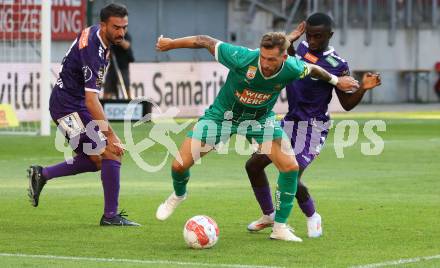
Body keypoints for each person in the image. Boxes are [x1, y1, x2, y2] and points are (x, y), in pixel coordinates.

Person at [154, 31, 359, 241]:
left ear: (284, 58)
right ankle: (179, 195)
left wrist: (335, 81)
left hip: (260, 121)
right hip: (222, 117)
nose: (266, 63)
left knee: (290, 168)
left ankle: (279, 228)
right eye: (263, 57)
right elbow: (203, 41)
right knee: (179, 166)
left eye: (271, 59)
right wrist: (171, 44)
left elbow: (315, 70)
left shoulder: (292, 67)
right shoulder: (242, 58)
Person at [245, 13, 381, 238]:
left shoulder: (337, 64)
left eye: (318, 36)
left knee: (290, 175)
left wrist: (363, 87)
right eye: (310, 35)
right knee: (253, 166)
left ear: (330, 35)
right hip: (289, 122)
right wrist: (291, 40)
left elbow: (346, 104)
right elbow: (286, 59)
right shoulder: (302, 47)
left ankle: (312, 215)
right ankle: (268, 215)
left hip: (313, 128)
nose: (313, 40)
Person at [27, 3, 140, 226]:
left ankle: (42, 174)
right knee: (111, 152)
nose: (121, 32)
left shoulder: (97, 35)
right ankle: (110, 217)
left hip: (70, 104)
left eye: (124, 27)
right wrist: (112, 135)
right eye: (116, 27)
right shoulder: (94, 52)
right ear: (104, 25)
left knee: (97, 159)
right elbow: (92, 100)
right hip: (68, 107)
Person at [104, 31, 135, 99]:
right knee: (108, 88)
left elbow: (126, 45)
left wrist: (117, 38)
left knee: (126, 88)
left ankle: (131, 105)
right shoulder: (110, 35)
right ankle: (104, 106)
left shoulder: (126, 35)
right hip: (112, 66)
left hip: (123, 67)